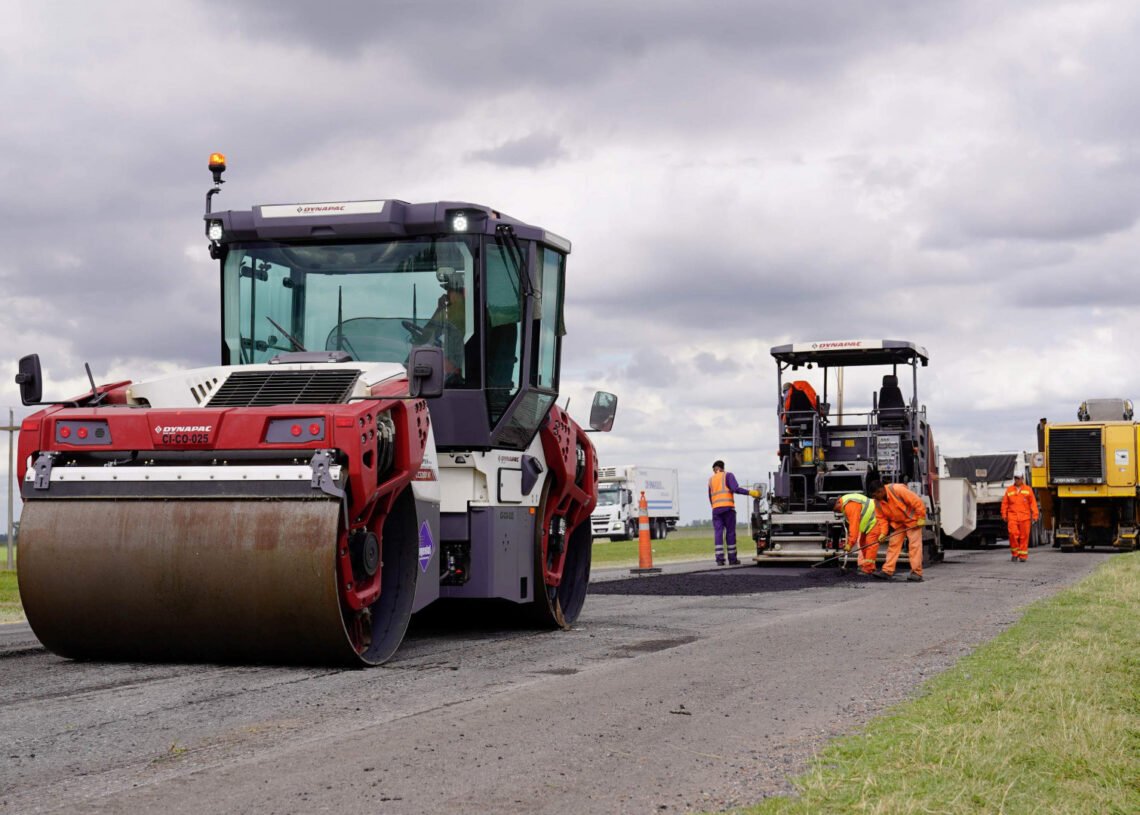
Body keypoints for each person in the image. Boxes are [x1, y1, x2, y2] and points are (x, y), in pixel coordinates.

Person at [869, 480, 927, 582]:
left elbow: (917, 501)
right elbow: (882, 519)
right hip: (898, 523)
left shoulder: (897, 490)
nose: (874, 498)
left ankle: (916, 572)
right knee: (893, 545)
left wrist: (921, 517)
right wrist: (883, 533)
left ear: (880, 491)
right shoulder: (877, 502)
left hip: (912, 520)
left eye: (875, 495)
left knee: (914, 546)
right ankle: (887, 571)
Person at [708, 460, 760, 566]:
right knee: (730, 533)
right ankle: (732, 560)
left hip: (716, 510)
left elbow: (710, 497)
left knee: (718, 533)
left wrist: (715, 507)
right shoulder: (728, 475)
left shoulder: (711, 480)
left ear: (715, 469)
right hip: (728, 509)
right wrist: (751, 492)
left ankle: (719, 560)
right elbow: (735, 489)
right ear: (722, 468)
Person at [834, 493, 886, 575]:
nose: (837, 511)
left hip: (876, 519)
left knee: (870, 544)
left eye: (836, 509)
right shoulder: (846, 502)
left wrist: (850, 544)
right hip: (869, 523)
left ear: (838, 503)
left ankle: (869, 568)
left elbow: (854, 527)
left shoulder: (850, 506)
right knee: (863, 543)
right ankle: (867, 565)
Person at [1001, 473, 1038, 563]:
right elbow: (1005, 503)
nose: (1017, 480)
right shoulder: (1009, 490)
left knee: (1024, 537)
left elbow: (1033, 503)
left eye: (1018, 478)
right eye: (1015, 478)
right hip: (1012, 516)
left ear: (1022, 478)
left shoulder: (1028, 490)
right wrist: (1004, 514)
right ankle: (1015, 554)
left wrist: (1035, 515)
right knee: (1013, 534)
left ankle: (1023, 556)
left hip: (1025, 517)